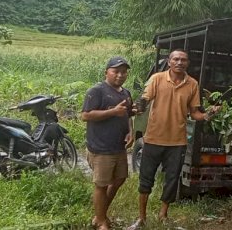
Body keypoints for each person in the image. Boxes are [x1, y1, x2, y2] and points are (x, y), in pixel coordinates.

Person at [128, 49, 218, 230]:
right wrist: (138, 107)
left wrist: (209, 114)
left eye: (183, 60)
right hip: (153, 138)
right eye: (176, 59)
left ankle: (163, 215)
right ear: (169, 62)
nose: (179, 62)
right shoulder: (157, 78)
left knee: (171, 180)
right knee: (146, 180)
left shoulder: (192, 84)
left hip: (177, 142)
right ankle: (141, 218)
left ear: (188, 63)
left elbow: (195, 113)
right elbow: (145, 98)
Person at [81, 56, 134, 230]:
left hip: (118, 146)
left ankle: (99, 215)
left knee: (119, 179)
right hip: (101, 147)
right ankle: (102, 221)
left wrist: (130, 131)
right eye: (116, 71)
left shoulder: (125, 93)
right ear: (107, 72)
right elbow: (86, 115)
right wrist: (112, 112)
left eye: (123, 72)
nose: (120, 75)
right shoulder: (97, 91)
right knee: (101, 184)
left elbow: (127, 114)